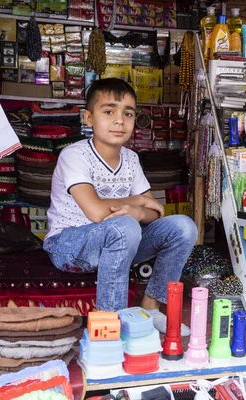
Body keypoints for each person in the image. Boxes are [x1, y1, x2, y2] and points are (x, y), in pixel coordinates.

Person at [44, 78, 197, 335]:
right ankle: (111, 322)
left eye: (128, 113)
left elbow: (154, 212)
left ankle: (150, 308)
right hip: (69, 245)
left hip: (119, 240)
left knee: (183, 226)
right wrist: (136, 203)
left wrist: (138, 211)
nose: (119, 120)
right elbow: (95, 212)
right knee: (124, 226)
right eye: (108, 111)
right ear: (88, 118)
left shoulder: (131, 158)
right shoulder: (74, 155)